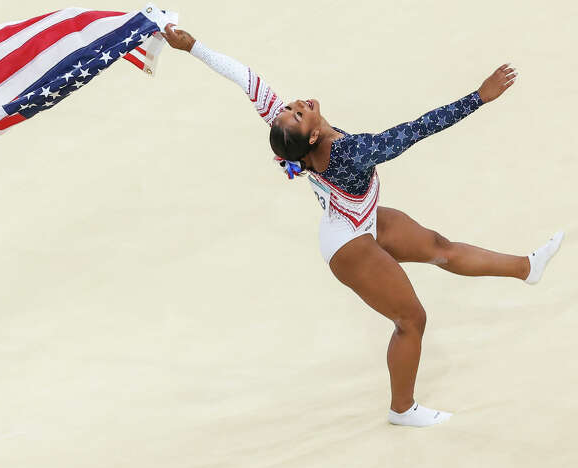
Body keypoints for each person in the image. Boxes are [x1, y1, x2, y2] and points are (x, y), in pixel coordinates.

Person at [161, 25, 563, 427]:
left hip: (361, 217)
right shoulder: (351, 154)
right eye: (299, 113)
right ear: (314, 134)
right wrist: (478, 98)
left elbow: (244, 77)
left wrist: (193, 46)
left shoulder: (288, 134)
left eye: (292, 108)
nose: (297, 104)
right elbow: (417, 129)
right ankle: (402, 409)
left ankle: (527, 268)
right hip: (346, 243)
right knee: (411, 320)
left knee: (440, 247)